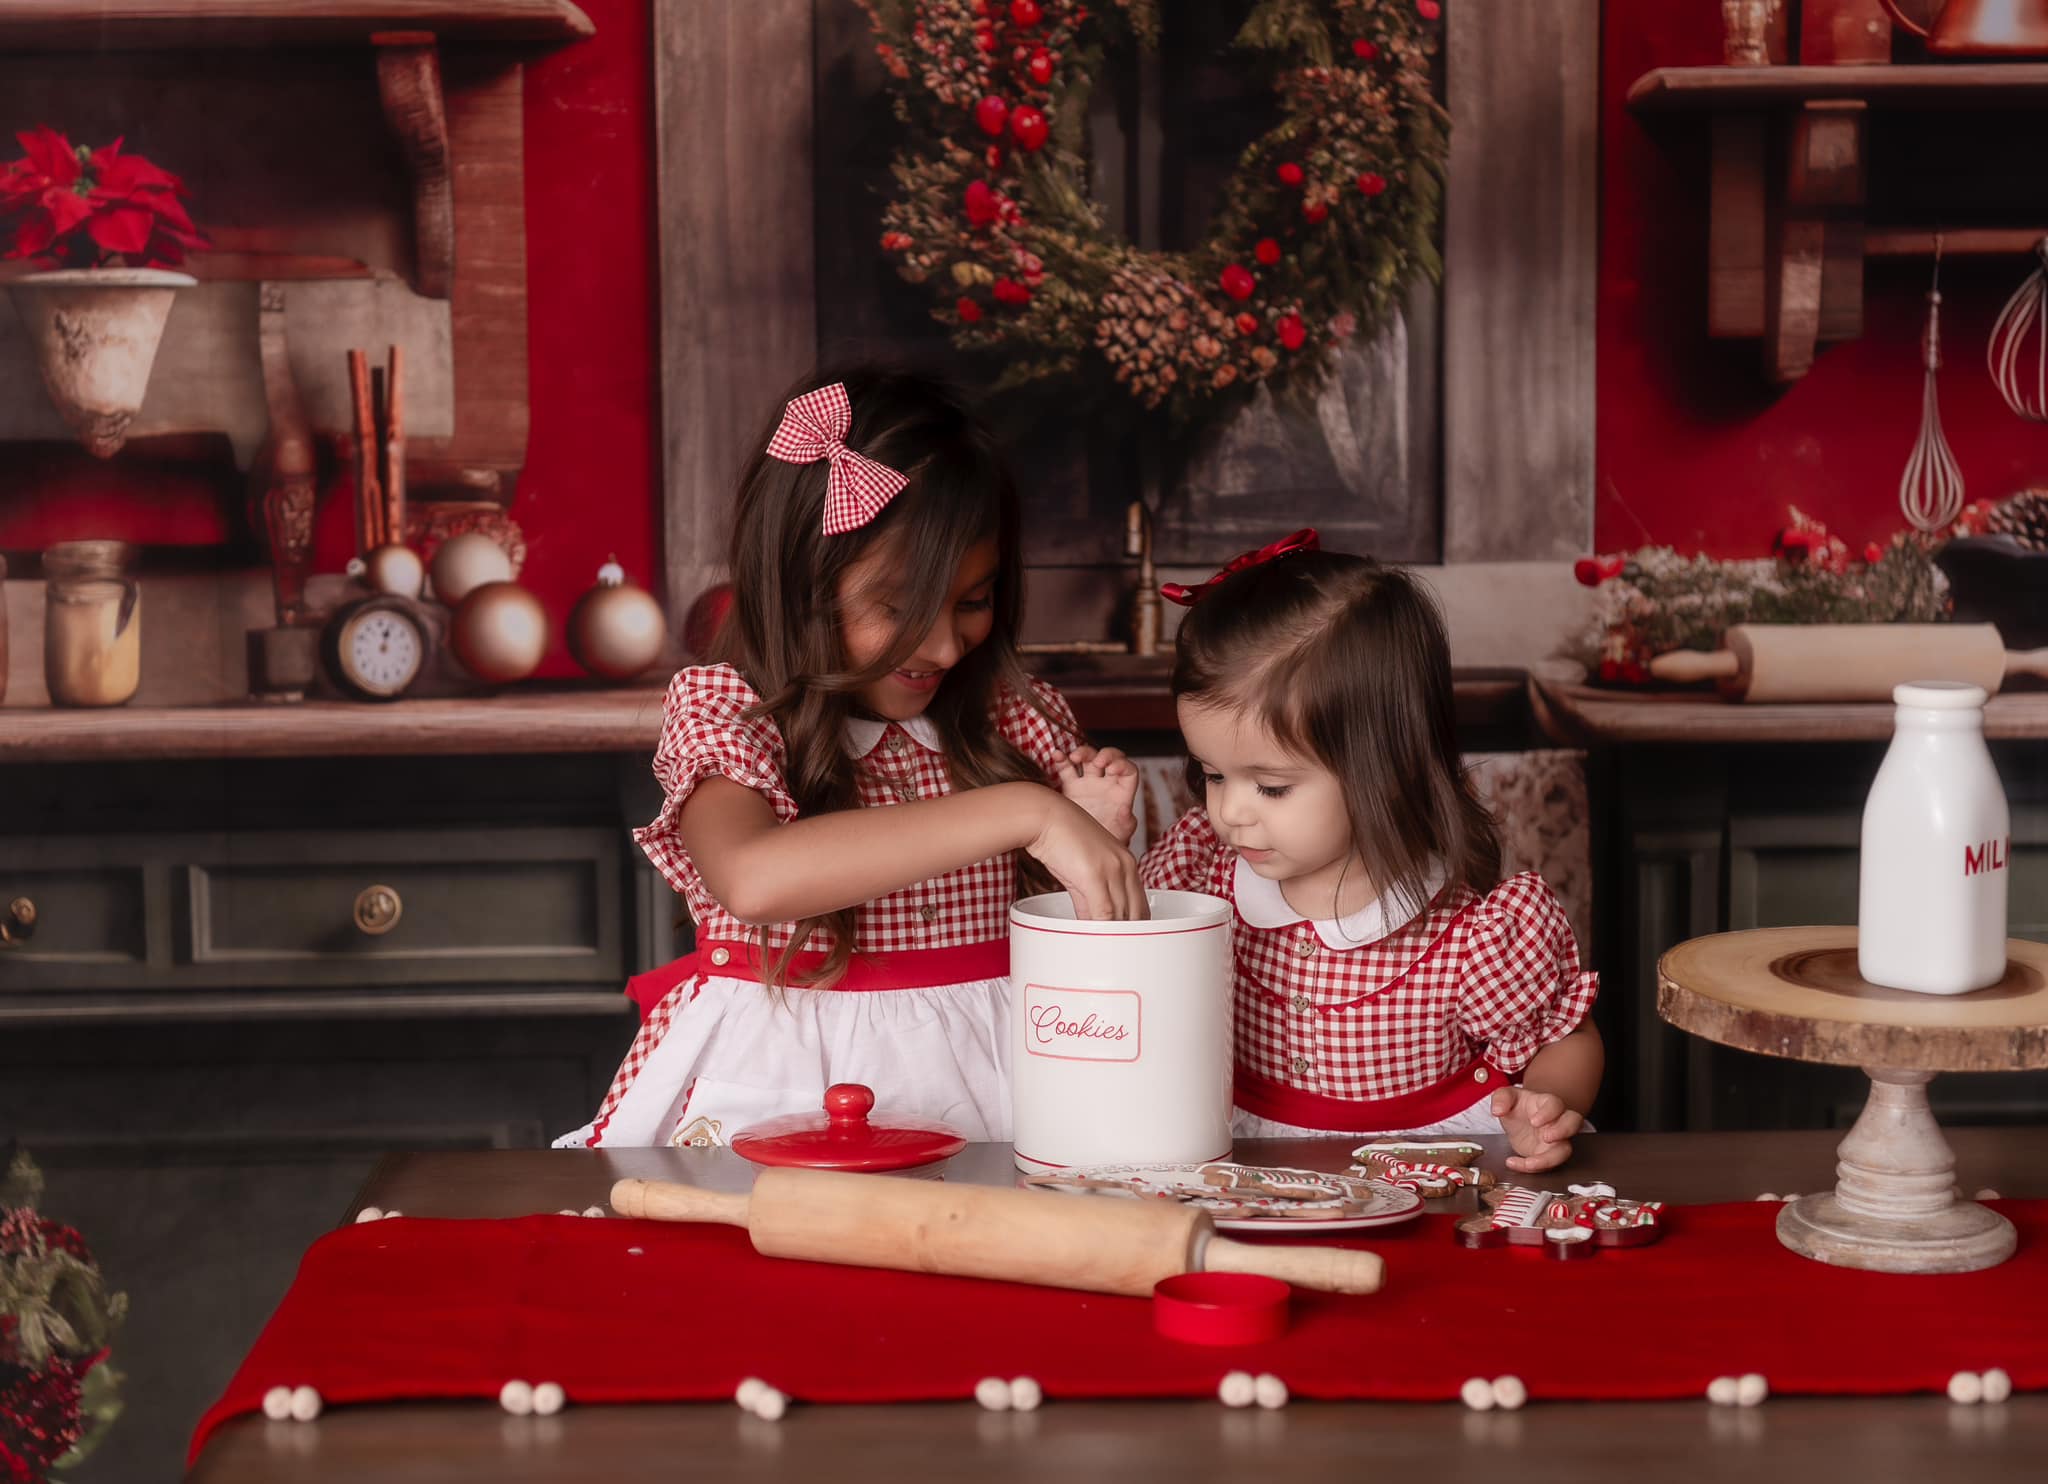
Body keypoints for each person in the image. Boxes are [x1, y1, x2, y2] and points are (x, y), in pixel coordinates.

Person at [557, 368, 1143, 1150]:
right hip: (791, 1090)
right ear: (801, 584)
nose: (941, 647)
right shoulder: (729, 713)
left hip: (1003, 1083)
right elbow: (753, 878)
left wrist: (1093, 841)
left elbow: (1088, 968)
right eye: (896, 608)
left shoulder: (1015, 718)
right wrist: (1026, 811)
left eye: (972, 602)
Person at [1128, 532, 1601, 1173]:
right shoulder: (1203, 877)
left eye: (1271, 785)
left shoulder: (1472, 933)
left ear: (1386, 766)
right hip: (1248, 1172)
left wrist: (1548, 1106)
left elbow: (1565, 1038)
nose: (1231, 812)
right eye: (1213, 774)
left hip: (1427, 1170)